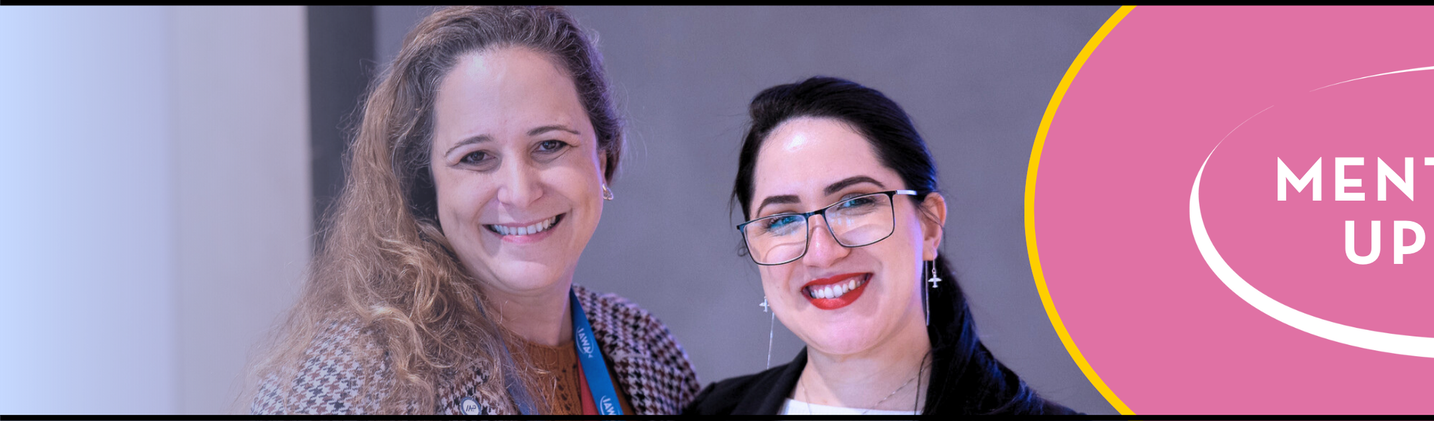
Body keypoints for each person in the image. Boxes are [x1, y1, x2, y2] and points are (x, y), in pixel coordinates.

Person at [248, 6, 696, 415]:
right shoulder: (352, 385)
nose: (520, 193)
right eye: (476, 157)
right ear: (426, 185)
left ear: (602, 159)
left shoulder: (648, 350)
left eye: (550, 145)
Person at [686, 76, 1077, 415]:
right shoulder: (710, 411)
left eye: (854, 202)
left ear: (929, 225)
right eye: (783, 220)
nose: (822, 252)